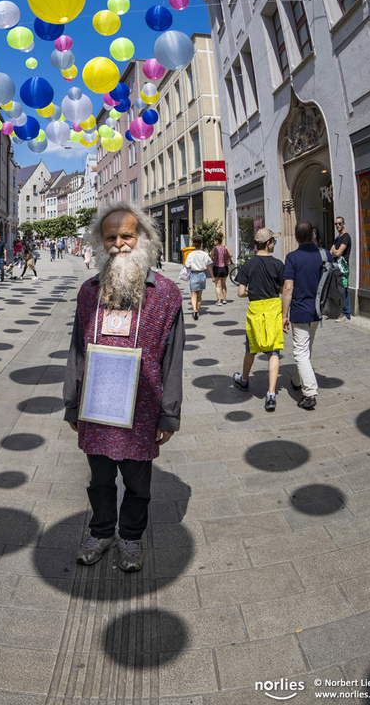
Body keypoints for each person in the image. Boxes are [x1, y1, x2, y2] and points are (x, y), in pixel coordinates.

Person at [63, 201, 184, 573]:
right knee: (99, 481)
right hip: (96, 408)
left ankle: (130, 537)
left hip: (142, 410)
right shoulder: (88, 292)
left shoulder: (166, 294)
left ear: (142, 237)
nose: (119, 244)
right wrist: (71, 403)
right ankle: (100, 532)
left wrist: (169, 413)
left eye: (127, 235)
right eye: (111, 237)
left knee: (138, 485)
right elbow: (77, 350)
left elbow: (173, 358)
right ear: (101, 243)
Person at [282, 220, 334, 411]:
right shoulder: (325, 254)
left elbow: (288, 288)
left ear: (296, 238)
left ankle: (310, 393)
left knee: (301, 351)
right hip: (318, 310)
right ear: (313, 234)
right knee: (306, 348)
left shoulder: (292, 257)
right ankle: (296, 380)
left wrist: (284, 314)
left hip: (300, 310)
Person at [232, 228, 284, 412]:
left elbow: (240, 293)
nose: (274, 244)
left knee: (250, 349)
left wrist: (250, 292)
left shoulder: (248, 265)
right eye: (274, 241)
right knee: (273, 352)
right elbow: (282, 289)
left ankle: (244, 380)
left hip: (255, 310)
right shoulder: (278, 264)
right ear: (269, 243)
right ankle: (271, 393)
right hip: (272, 311)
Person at [330, 215, 352, 322]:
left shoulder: (346, 237)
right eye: (336, 224)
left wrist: (335, 252)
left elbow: (338, 252)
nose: (337, 225)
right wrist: (335, 252)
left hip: (343, 268)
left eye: (339, 223)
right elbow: (331, 252)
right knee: (339, 290)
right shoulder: (337, 238)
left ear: (343, 224)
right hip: (337, 267)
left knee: (344, 290)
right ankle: (342, 312)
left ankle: (346, 314)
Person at [184, 238, 213, 320]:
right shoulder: (205, 254)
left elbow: (187, 265)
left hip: (193, 274)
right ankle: (198, 310)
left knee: (193, 295)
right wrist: (213, 276)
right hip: (202, 274)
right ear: (201, 244)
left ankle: (194, 310)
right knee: (199, 296)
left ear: (193, 245)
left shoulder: (190, 254)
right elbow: (209, 265)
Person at [210, 231, 233, 305]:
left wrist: (214, 257)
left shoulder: (214, 249)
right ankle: (225, 299)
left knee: (218, 285)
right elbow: (231, 255)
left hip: (217, 268)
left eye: (214, 240)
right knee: (224, 284)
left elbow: (211, 257)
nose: (214, 242)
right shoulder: (225, 247)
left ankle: (219, 300)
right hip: (225, 268)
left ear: (216, 241)